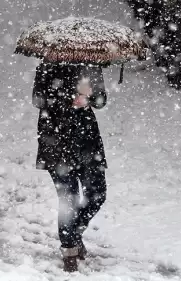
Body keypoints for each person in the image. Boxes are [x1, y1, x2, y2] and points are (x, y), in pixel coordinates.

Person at [32, 60, 108, 272]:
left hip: (87, 141)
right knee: (69, 200)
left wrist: (90, 96)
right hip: (56, 140)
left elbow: (101, 101)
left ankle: (74, 235)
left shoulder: (91, 65)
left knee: (97, 193)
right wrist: (69, 97)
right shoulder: (47, 66)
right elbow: (38, 100)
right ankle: (69, 251)